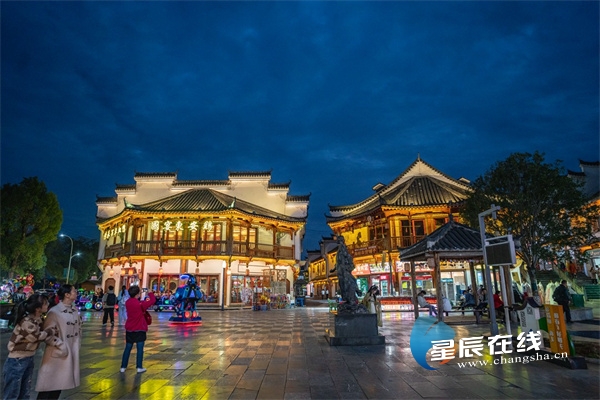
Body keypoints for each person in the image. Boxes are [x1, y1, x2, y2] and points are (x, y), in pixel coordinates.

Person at [2, 294, 60, 400]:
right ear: (37, 308)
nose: (47, 305)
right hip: (17, 360)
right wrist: (50, 331)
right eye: (45, 303)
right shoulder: (26, 322)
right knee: (12, 393)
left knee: (24, 392)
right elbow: (36, 337)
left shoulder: (37, 320)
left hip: (28, 358)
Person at [35, 284, 82, 399]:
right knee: (48, 386)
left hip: (69, 351)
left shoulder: (74, 310)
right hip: (56, 353)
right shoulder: (54, 312)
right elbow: (47, 333)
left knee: (59, 386)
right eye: (74, 291)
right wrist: (60, 345)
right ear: (67, 295)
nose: (76, 293)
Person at [120, 286, 156, 373]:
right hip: (139, 328)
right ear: (137, 294)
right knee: (140, 349)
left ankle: (123, 367)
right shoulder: (140, 304)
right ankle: (139, 367)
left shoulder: (128, 302)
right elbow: (152, 301)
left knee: (128, 348)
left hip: (130, 328)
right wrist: (150, 293)